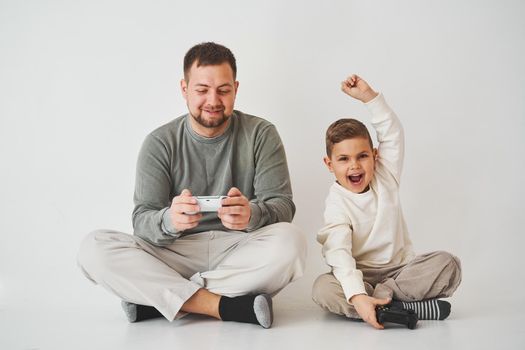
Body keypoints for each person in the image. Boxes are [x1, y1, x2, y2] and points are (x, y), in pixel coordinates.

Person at [77, 42, 306, 329]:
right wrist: (170, 220)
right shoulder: (159, 142)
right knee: (93, 249)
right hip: (174, 250)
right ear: (184, 89)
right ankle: (224, 306)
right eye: (202, 90)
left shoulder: (261, 134)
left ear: (235, 88)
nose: (213, 100)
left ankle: (163, 299)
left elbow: (283, 206)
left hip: (237, 247)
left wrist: (252, 215)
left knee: (292, 241)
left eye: (223, 90)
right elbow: (141, 222)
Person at [312, 74, 462, 329]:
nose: (355, 166)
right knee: (322, 289)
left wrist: (369, 97)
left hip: (400, 272)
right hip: (362, 277)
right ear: (329, 164)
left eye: (362, 156)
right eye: (344, 159)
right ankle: (393, 307)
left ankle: (383, 302)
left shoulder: (385, 176)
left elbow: (392, 133)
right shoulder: (337, 203)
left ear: (375, 156)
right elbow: (338, 251)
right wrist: (357, 293)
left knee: (449, 264)